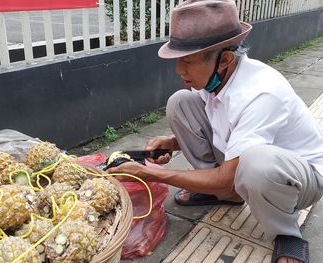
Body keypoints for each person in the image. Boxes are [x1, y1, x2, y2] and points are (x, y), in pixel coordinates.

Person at [108, 0, 323, 262]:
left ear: (226, 59)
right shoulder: (217, 79)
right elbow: (223, 127)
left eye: (187, 61)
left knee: (256, 163)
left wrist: (146, 172)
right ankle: (224, 195)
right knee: (180, 102)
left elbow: (239, 165)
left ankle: (286, 232)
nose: (178, 70)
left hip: (300, 179)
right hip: (245, 161)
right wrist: (172, 143)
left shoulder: (261, 93)